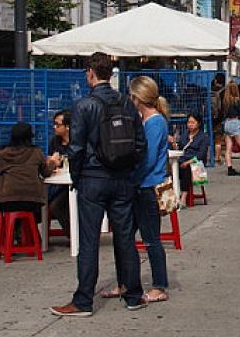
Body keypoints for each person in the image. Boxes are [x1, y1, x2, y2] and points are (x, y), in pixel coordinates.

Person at [51, 52, 146, 317]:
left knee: (89, 239)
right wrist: (130, 170)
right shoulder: (127, 104)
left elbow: (77, 147)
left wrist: (77, 176)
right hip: (122, 177)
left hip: (93, 177)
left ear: (91, 72)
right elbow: (140, 144)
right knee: (125, 237)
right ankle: (133, 294)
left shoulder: (84, 105)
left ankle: (83, 300)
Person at [129, 76, 170, 303]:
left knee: (151, 238)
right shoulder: (152, 121)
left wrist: (132, 178)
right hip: (145, 184)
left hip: (147, 186)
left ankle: (159, 285)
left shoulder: (153, 123)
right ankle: (128, 279)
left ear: (138, 98)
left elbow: (149, 157)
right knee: (132, 236)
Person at [172, 114, 209, 203]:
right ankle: (174, 194)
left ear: (198, 123)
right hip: (183, 159)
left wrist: (188, 162)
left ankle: (183, 197)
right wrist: (174, 145)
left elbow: (201, 155)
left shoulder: (203, 137)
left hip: (196, 162)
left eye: (193, 122)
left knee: (186, 168)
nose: (190, 124)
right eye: (189, 122)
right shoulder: (184, 135)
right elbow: (180, 149)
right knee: (173, 168)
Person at [47, 110, 72, 235]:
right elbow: (50, 160)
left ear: (67, 127)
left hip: (74, 183)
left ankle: (73, 235)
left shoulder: (78, 141)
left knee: (56, 205)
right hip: (57, 182)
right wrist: (52, 162)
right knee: (43, 201)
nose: (54, 127)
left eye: (57, 124)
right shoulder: (55, 141)